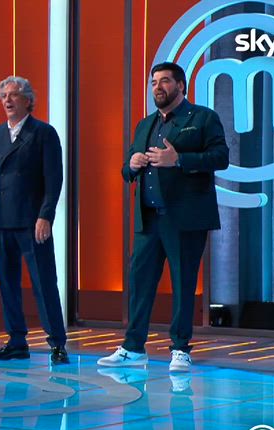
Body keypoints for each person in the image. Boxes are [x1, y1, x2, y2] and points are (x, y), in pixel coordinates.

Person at [98, 61, 228, 372]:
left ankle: (180, 349)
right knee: (139, 281)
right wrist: (132, 164)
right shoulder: (145, 124)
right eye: (154, 82)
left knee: (183, 283)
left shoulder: (202, 118)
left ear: (180, 86)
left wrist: (178, 159)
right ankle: (133, 347)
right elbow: (126, 170)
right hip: (149, 218)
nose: (158, 87)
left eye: (165, 81)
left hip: (184, 218)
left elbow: (221, 157)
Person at [0, 75, 69, 365]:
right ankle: (16, 341)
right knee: (8, 284)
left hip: (32, 222)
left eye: (13, 95)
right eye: (3, 96)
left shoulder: (44, 133)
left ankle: (57, 343)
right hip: (2, 221)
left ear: (28, 100)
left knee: (44, 283)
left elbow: (53, 179)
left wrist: (45, 215)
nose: (7, 100)